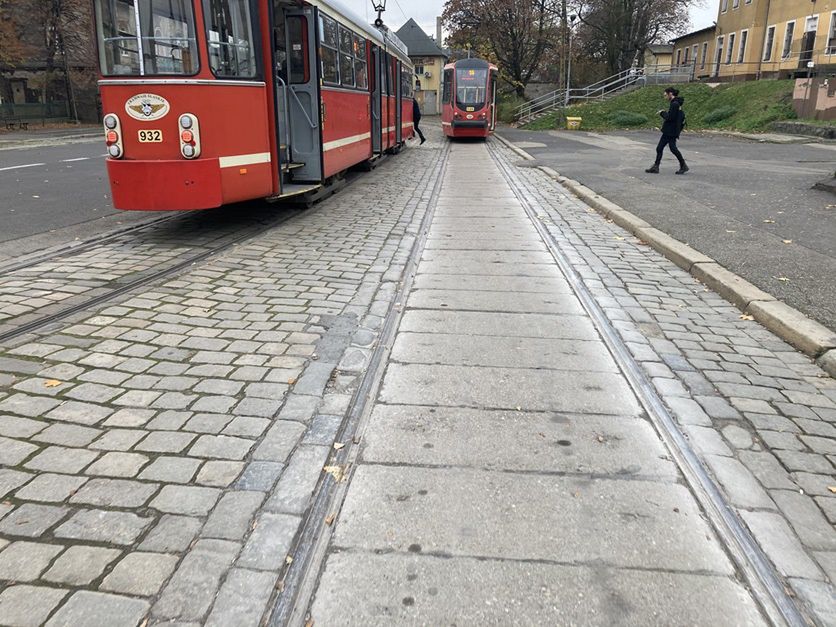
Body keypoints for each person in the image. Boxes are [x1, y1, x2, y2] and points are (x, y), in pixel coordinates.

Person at [646, 87, 688, 175]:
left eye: (665, 95)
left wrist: (662, 113)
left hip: (670, 131)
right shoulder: (676, 103)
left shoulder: (674, 104)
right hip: (671, 130)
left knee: (664, 148)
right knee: (668, 148)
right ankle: (657, 166)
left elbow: (670, 118)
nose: (665, 97)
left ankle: (682, 165)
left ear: (670, 94)